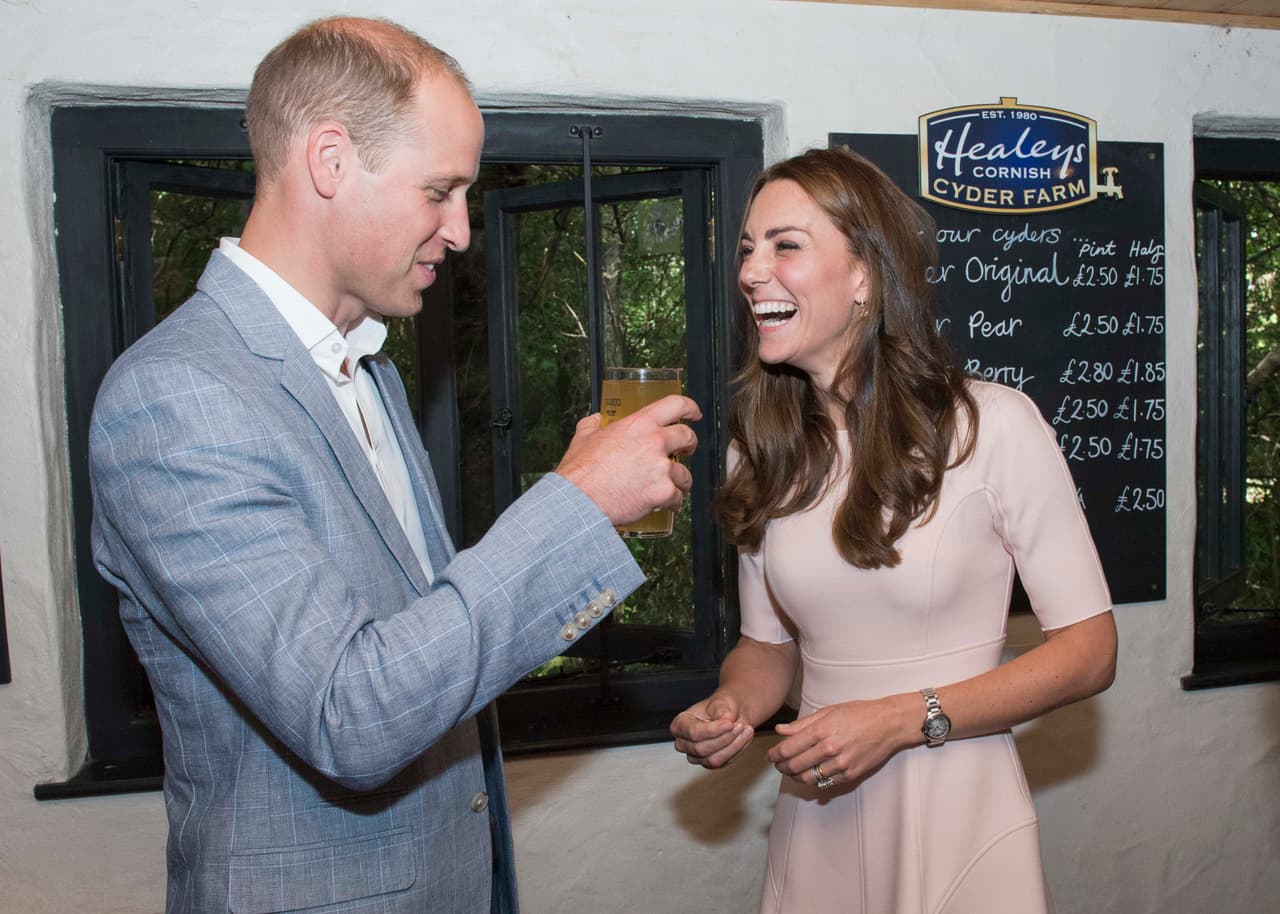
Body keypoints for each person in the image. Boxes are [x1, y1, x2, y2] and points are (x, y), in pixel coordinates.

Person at [89, 16, 699, 914]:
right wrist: (574, 506)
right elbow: (349, 714)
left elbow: (418, 646)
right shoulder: (176, 399)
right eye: (440, 191)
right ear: (330, 161)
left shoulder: (363, 366)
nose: (459, 231)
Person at [670, 146, 1116, 913]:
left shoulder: (992, 425)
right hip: (819, 807)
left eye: (785, 246)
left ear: (865, 277)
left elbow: (1090, 651)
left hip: (959, 803)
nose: (750, 272)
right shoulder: (763, 445)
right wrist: (734, 707)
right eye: (748, 250)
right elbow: (768, 647)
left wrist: (903, 720)